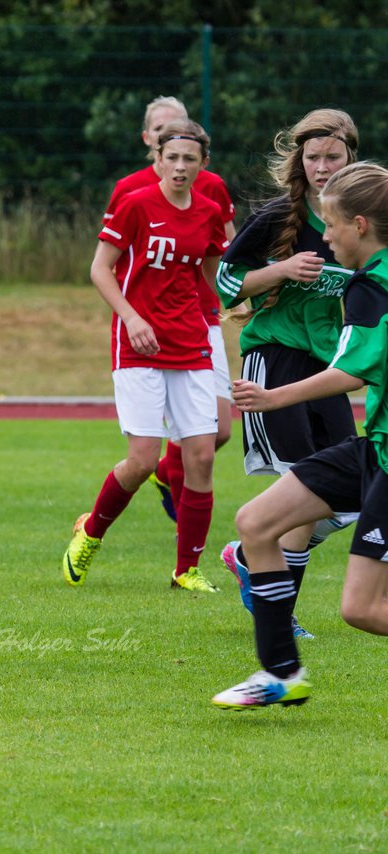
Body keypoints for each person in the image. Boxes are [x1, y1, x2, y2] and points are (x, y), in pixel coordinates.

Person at [213, 160, 388, 710]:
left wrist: (271, 397)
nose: (326, 234)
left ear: (360, 225)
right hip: (375, 446)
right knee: (257, 523)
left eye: (332, 224)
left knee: (361, 609)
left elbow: (354, 370)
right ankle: (281, 672)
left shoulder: (371, 286)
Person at [62, 119, 230, 592]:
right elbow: (100, 269)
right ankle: (90, 531)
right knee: (141, 460)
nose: (179, 166)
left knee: (201, 454)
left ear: (203, 165)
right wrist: (132, 318)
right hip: (138, 345)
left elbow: (214, 275)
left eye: (189, 159)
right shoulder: (136, 204)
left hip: (190, 342)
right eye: (171, 157)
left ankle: (186, 571)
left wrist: (246, 301)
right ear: (157, 158)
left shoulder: (210, 211)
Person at [214, 109, 360, 640]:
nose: (323, 166)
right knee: (299, 483)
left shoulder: (358, 222)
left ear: (351, 158)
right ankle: (279, 610)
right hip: (273, 360)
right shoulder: (280, 216)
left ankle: (251, 557)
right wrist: (280, 270)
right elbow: (224, 282)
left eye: (333, 156)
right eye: (314, 157)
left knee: (348, 495)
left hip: (327, 366)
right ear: (300, 160)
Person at [103, 96, 237, 524]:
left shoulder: (211, 191)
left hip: (201, 324)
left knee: (218, 433)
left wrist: (247, 292)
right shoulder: (131, 193)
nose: (180, 159)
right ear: (152, 145)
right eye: (167, 141)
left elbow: (225, 255)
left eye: (189, 148)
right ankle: (161, 487)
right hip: (147, 328)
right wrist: (132, 313)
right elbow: (111, 263)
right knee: (146, 452)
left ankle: (171, 481)